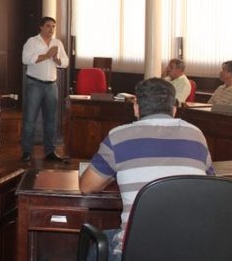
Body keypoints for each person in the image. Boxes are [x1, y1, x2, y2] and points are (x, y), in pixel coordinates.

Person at [79, 78, 214, 260]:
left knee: (100, 243)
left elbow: (87, 186)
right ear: (174, 110)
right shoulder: (196, 135)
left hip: (136, 252)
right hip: (190, 250)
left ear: (136, 108)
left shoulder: (119, 136)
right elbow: (210, 183)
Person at [20, 16, 69, 162]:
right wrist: (47, 55)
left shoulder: (57, 43)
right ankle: (27, 151)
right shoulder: (32, 41)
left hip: (52, 86)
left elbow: (65, 62)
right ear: (41, 27)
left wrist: (57, 59)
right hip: (35, 84)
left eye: (53, 26)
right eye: (48, 26)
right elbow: (26, 59)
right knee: (30, 120)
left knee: (51, 120)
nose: (51, 29)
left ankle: (50, 152)